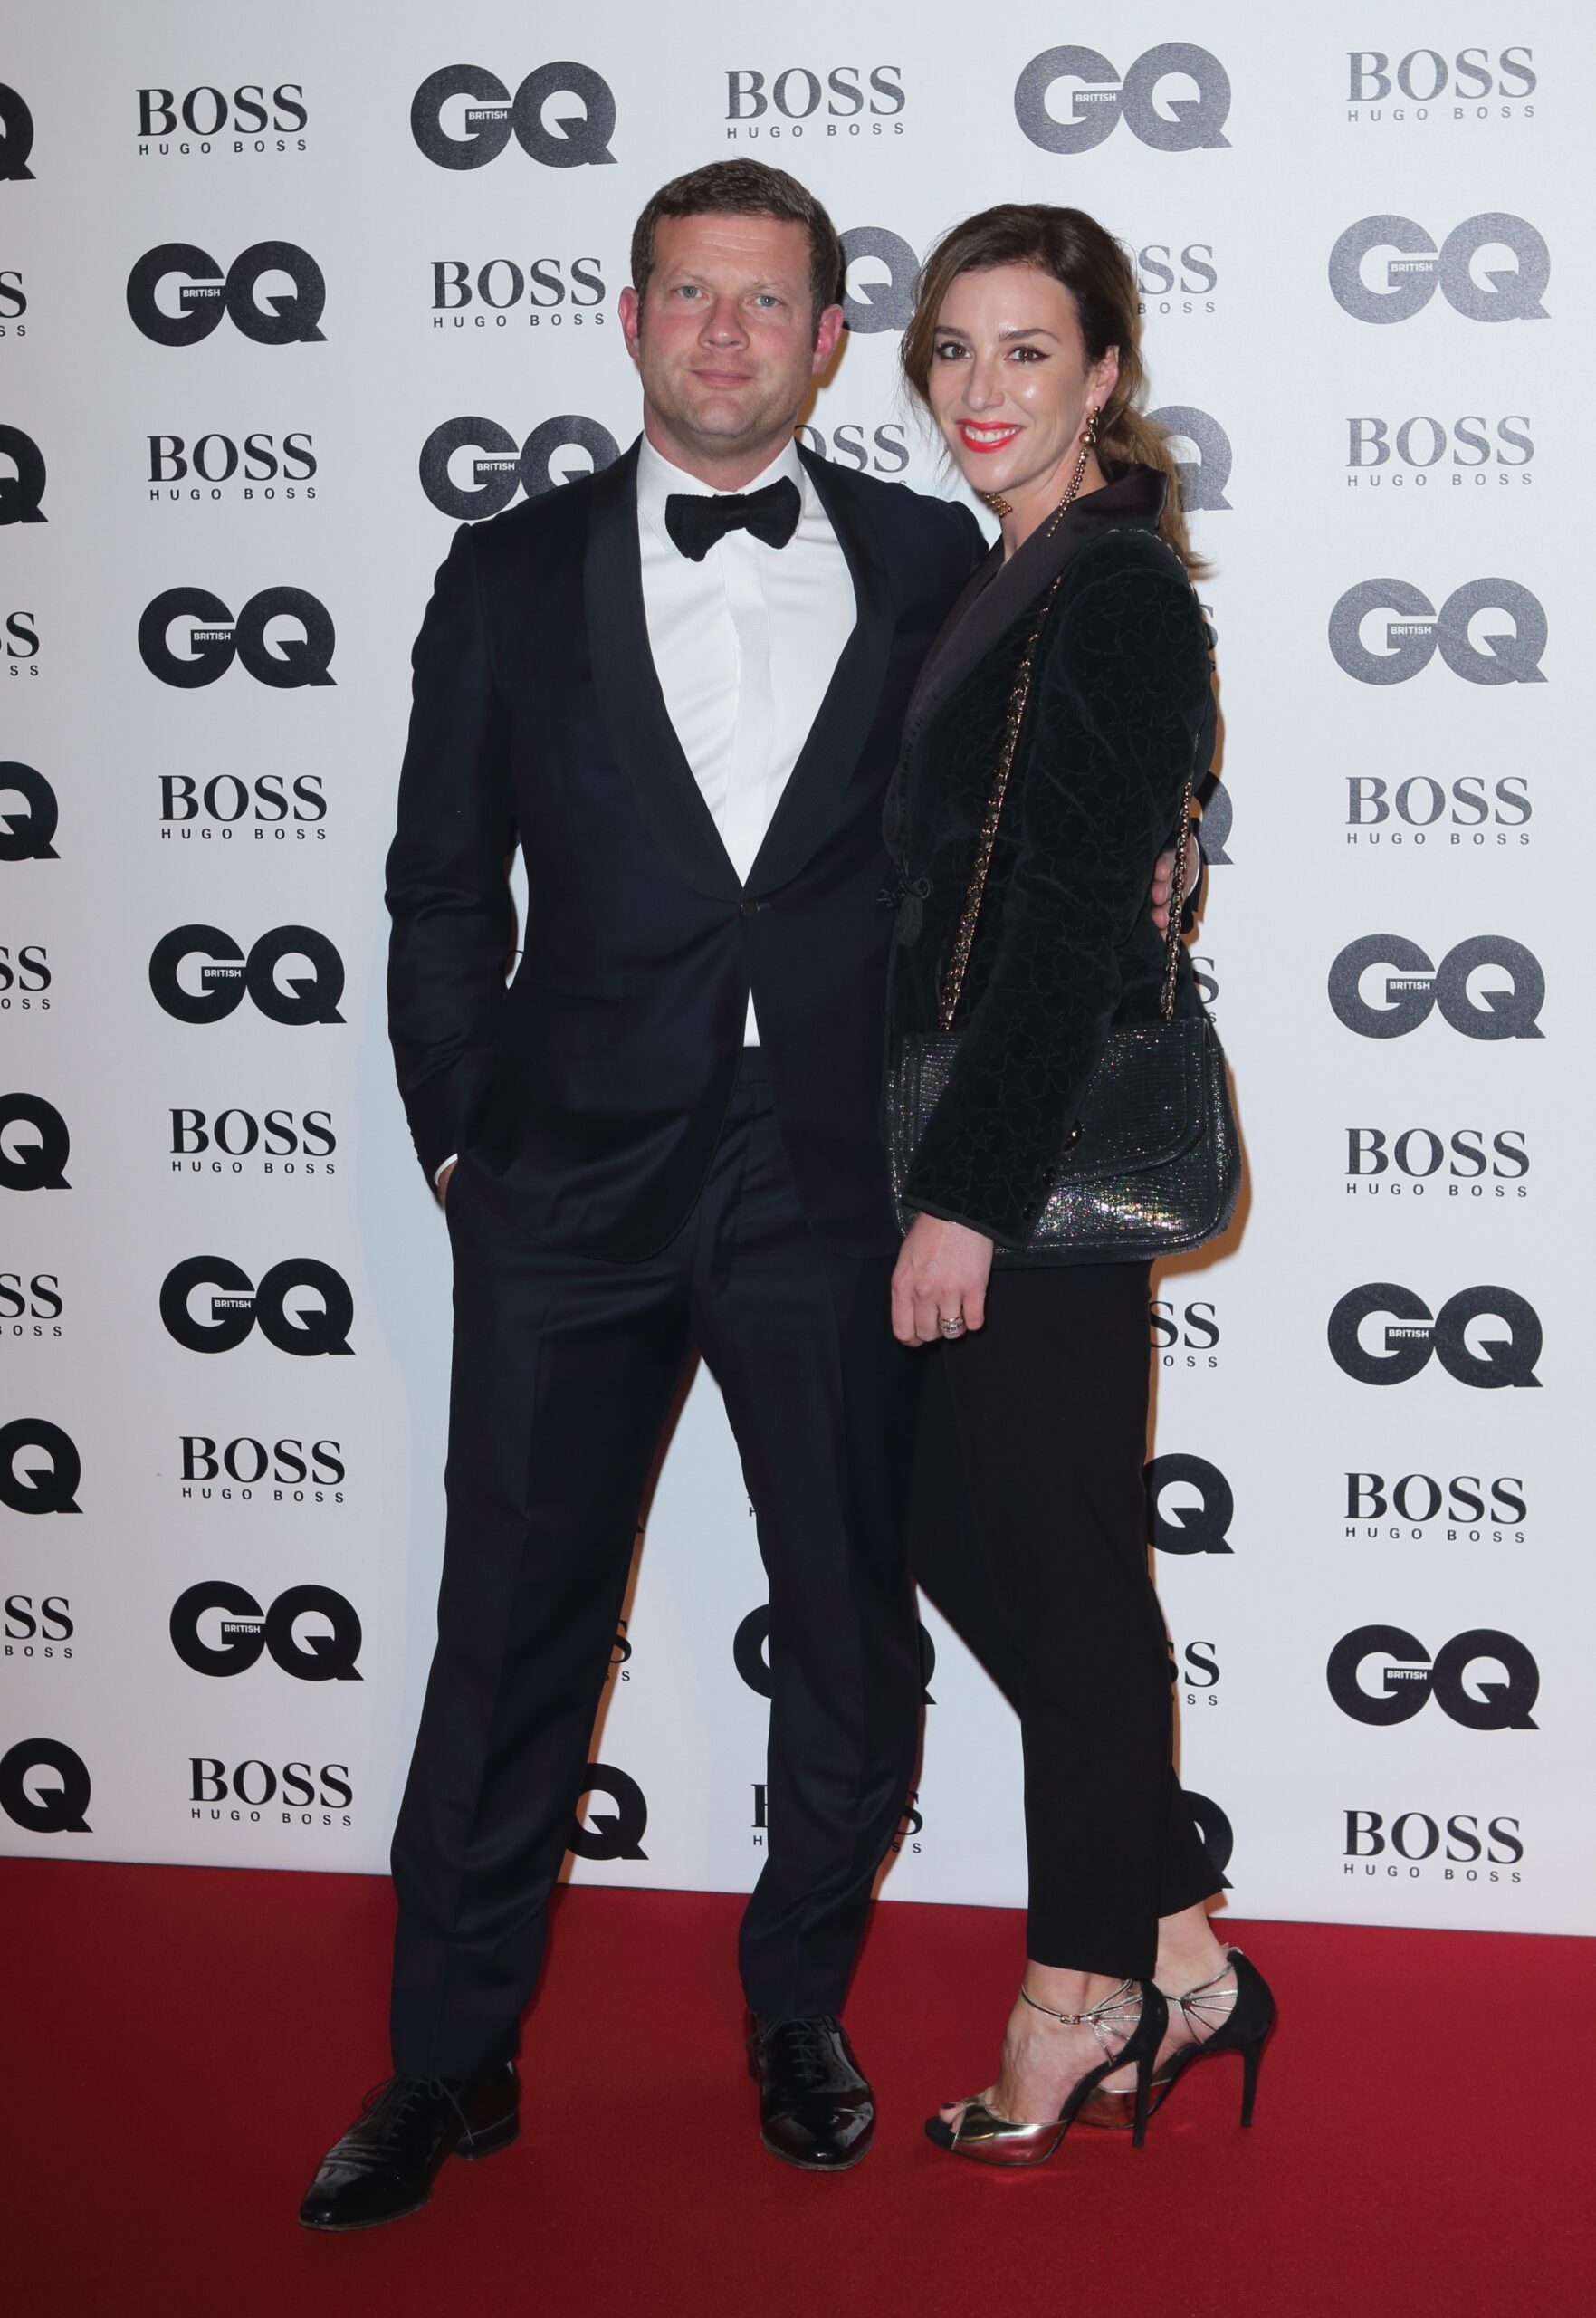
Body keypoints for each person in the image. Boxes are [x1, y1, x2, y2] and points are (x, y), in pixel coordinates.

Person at [299, 162, 1184, 2230]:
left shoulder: (925, 560)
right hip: (566, 1194)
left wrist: (1174, 846)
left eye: (764, 301)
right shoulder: (506, 577)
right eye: (687, 295)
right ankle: (445, 2060)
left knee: (855, 1639)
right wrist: (459, 1142)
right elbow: (441, 886)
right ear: (632, 320)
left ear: (818, 339)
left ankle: (801, 2010)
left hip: (835, 1193)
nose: (723, 334)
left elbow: (1042, 807)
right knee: (507, 1625)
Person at [884, 203, 1275, 2165]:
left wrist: (964, 1191)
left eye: (1027, 350)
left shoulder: (1107, 588)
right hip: (982, 1155)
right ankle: (1179, 1936)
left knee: (1061, 1572)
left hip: (1024, 1167)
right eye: (954, 348)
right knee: (971, 1533)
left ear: (1104, 374)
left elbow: (1055, 929)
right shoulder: (1015, 568)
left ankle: (1080, 1985)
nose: (982, 386)